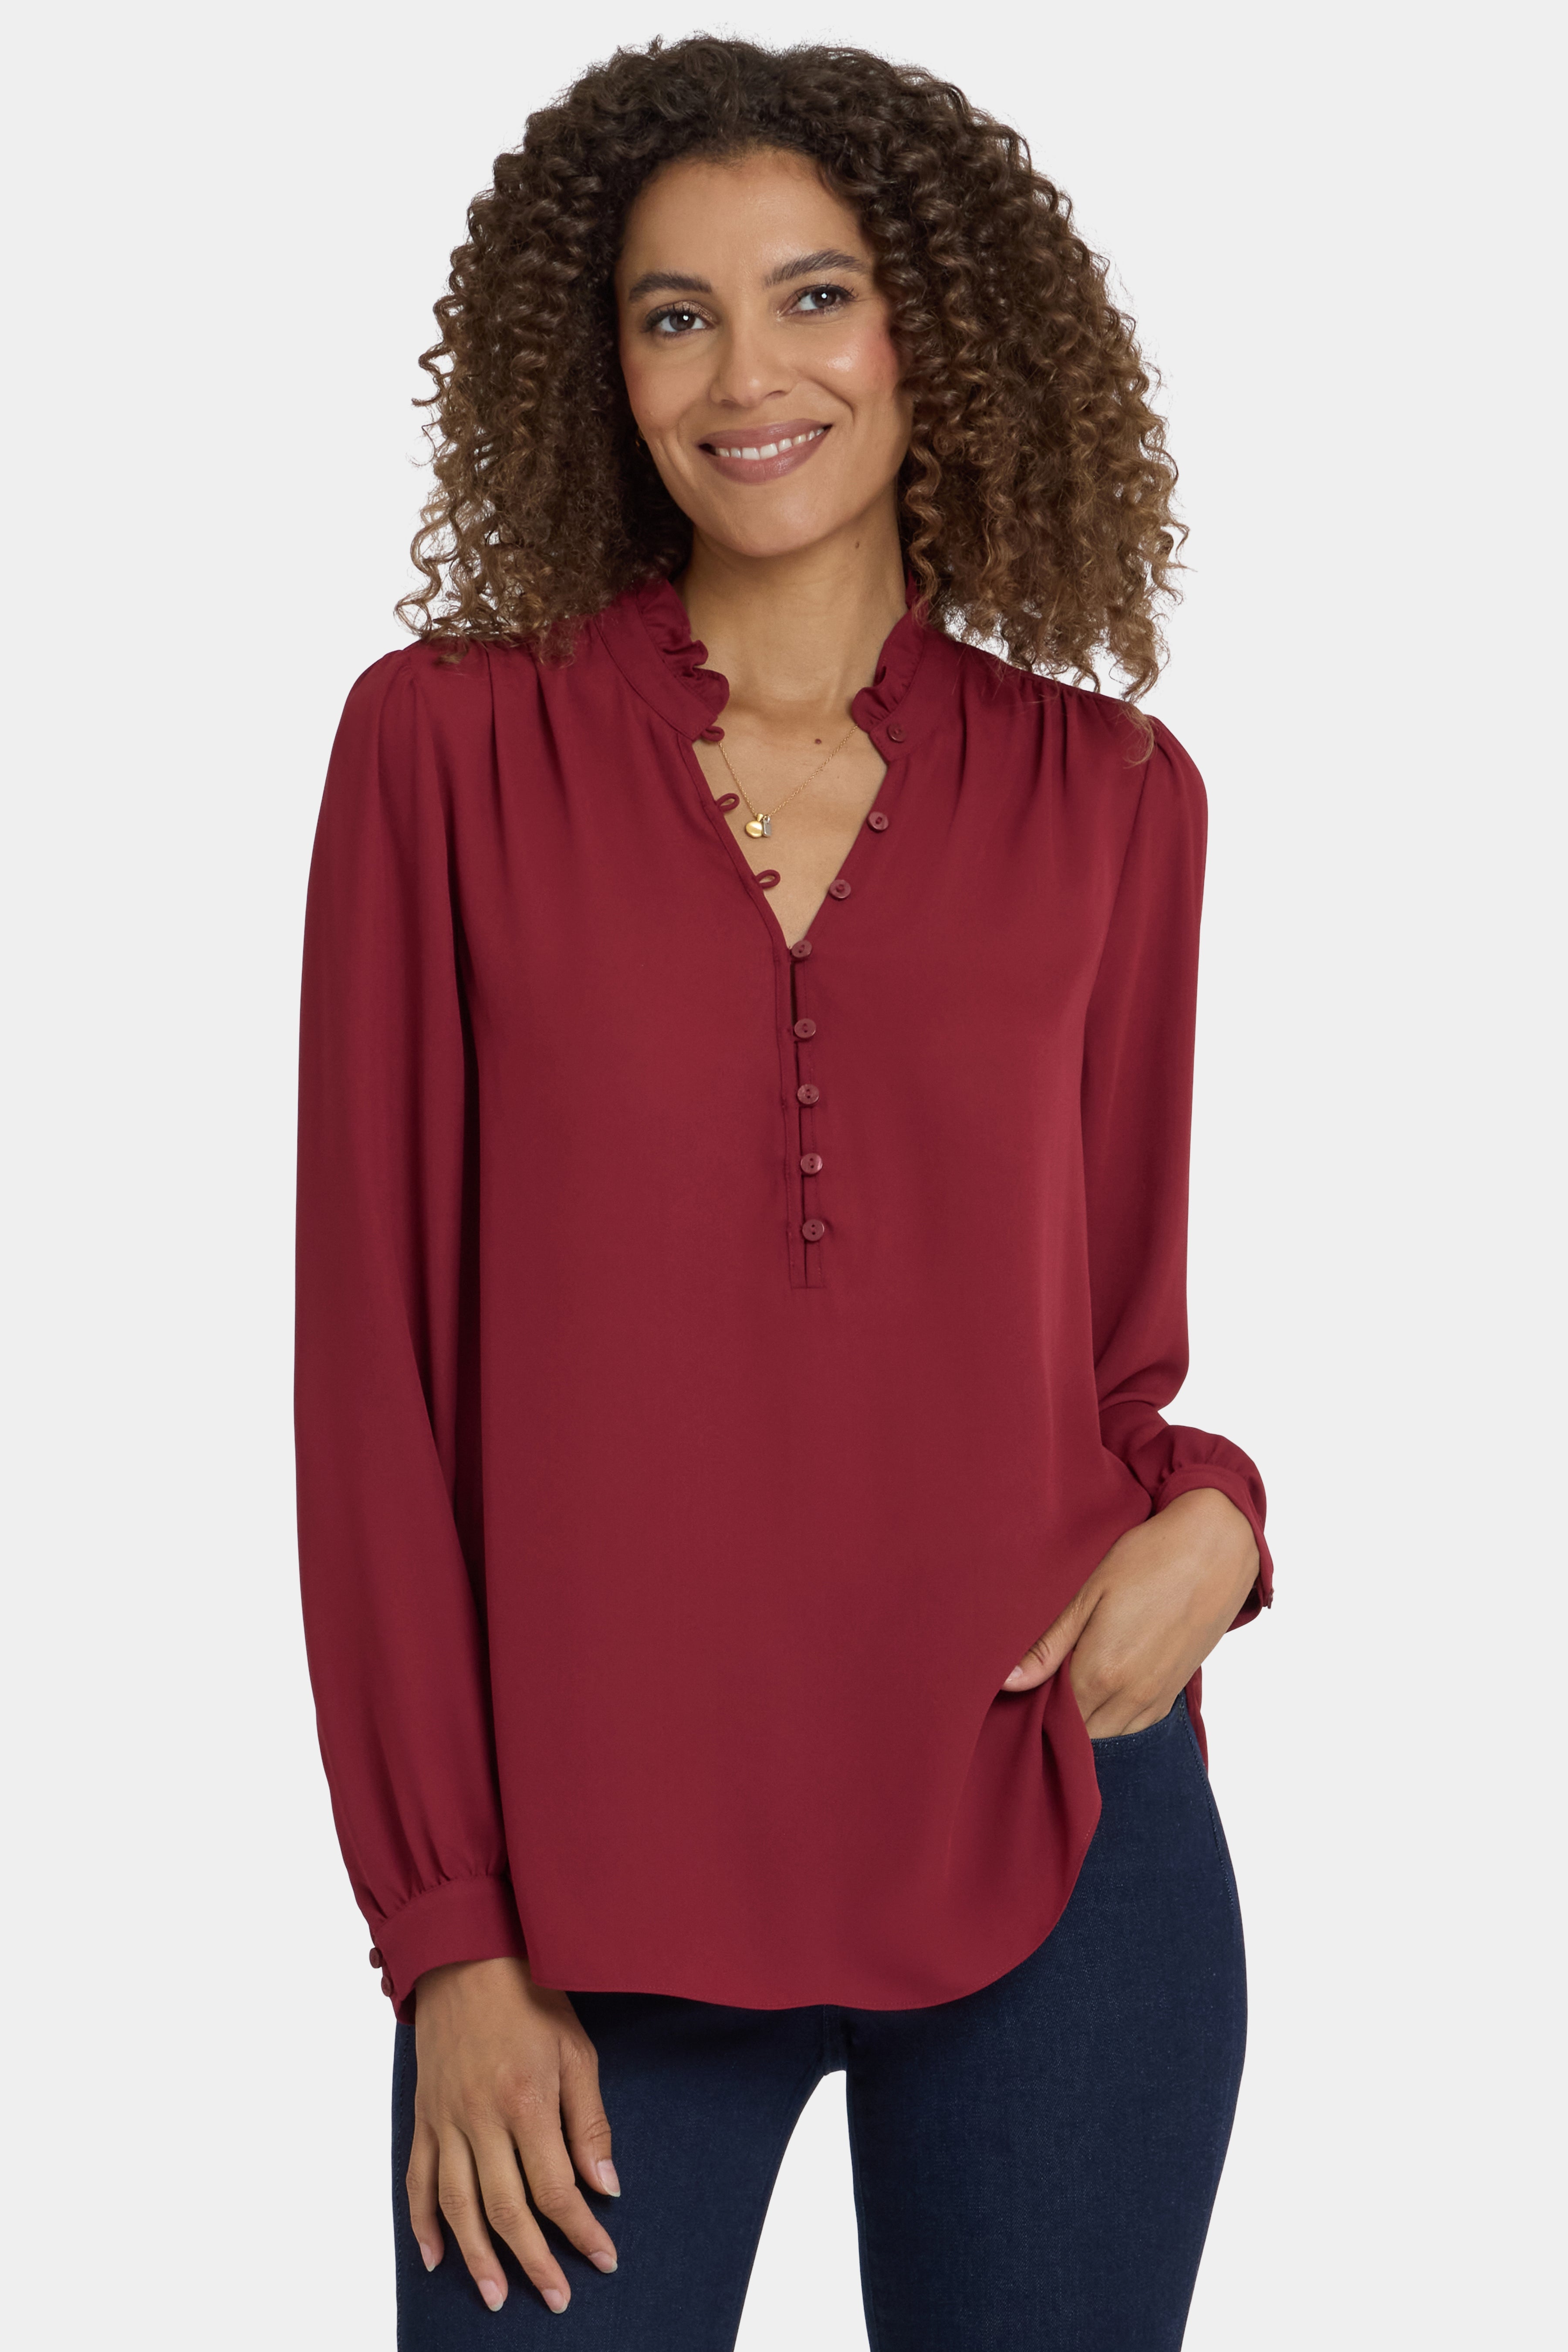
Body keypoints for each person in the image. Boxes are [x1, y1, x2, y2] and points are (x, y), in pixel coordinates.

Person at [295, 35, 1272, 2350]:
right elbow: (370, 1381)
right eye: (676, 314)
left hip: (1061, 1848)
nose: (750, 375)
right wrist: (448, 1933)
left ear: (935, 330)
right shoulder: (448, 749)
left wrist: (1222, 1517)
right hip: (582, 1914)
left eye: (816, 295)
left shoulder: (1117, 798)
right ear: (603, 368)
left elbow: (1110, 1354)